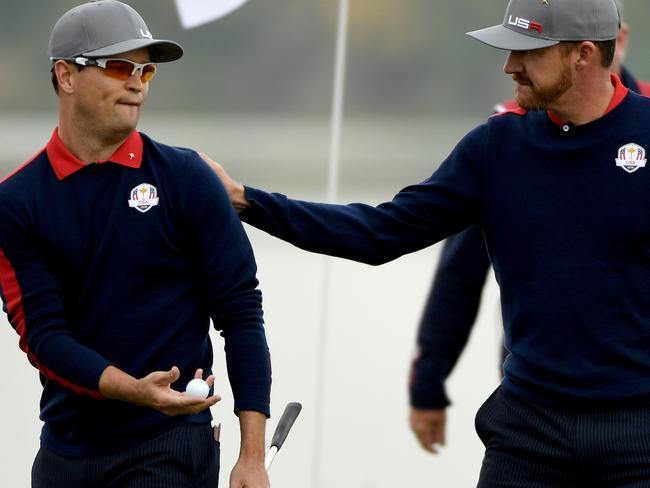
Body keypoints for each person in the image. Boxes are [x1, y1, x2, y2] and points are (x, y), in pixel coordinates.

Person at [207, 0, 650, 484]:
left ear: (583, 54)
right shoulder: (495, 148)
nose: (510, 66)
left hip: (638, 434)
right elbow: (380, 233)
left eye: (527, 52)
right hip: (529, 433)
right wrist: (248, 202)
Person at [0, 2, 271, 487]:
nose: (137, 83)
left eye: (146, 70)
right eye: (121, 67)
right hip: (65, 453)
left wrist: (251, 456)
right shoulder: (17, 202)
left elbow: (241, 313)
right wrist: (133, 389)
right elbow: (44, 338)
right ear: (66, 75)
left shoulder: (188, 179)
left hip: (168, 443)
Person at [408, 0, 650, 456]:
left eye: (529, 50)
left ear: (596, 48)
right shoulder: (503, 140)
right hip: (532, 411)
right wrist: (429, 378)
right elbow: (459, 269)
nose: (509, 67)